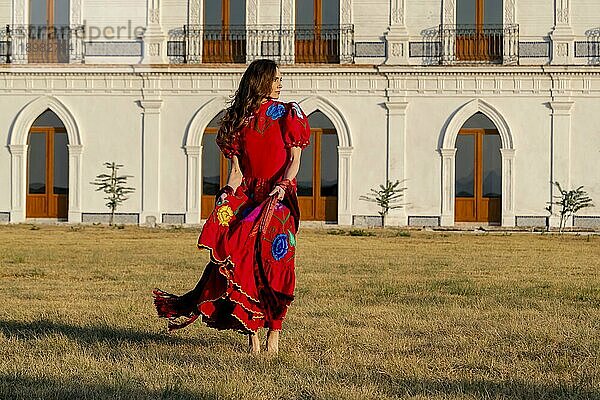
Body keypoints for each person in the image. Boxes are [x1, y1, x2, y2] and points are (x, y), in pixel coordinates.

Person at [153, 59, 310, 354]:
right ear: (259, 81)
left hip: (279, 197)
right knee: (240, 259)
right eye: (275, 79)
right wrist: (226, 193)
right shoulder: (237, 121)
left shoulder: (290, 114)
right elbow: (237, 172)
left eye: (280, 79)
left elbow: (295, 160)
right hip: (248, 196)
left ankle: (274, 335)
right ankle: (252, 335)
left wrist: (283, 186)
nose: (280, 84)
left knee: (275, 264)